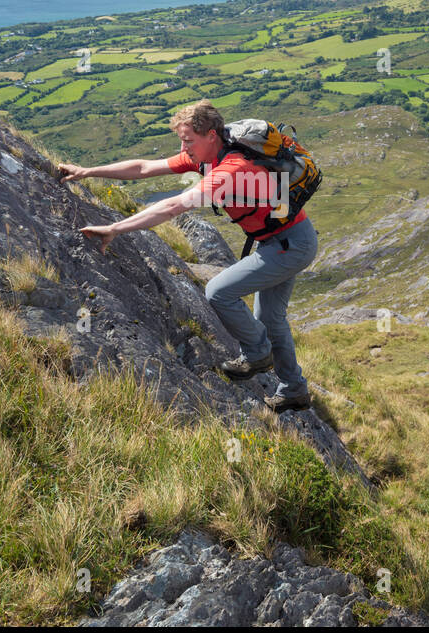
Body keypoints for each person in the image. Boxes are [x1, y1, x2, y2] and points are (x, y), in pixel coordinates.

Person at [57, 99, 318, 412]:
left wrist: (115, 229)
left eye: (187, 140)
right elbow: (144, 167)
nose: (184, 147)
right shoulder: (208, 155)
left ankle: (258, 354)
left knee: (218, 292)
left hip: (291, 245)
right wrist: (87, 172)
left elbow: (172, 207)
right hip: (277, 241)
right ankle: (294, 390)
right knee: (271, 318)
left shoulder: (231, 168)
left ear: (211, 135)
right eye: (181, 141)